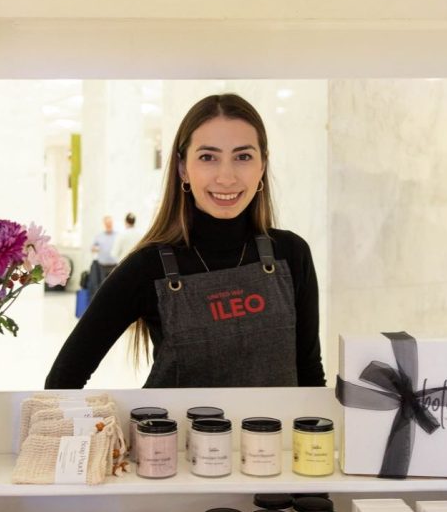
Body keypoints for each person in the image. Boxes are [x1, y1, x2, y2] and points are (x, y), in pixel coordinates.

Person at [45, 94, 325, 389]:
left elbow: (309, 374)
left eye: (243, 156)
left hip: (274, 437)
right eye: (208, 157)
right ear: (183, 169)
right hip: (172, 437)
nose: (226, 177)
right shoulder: (148, 267)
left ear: (262, 167)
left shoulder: (291, 254)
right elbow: (62, 380)